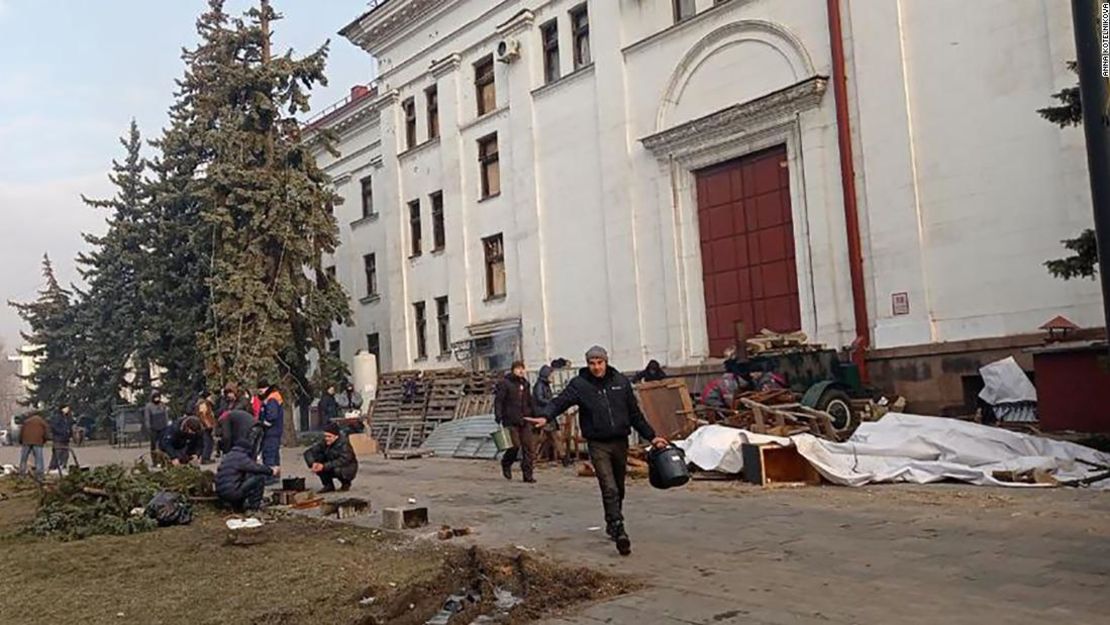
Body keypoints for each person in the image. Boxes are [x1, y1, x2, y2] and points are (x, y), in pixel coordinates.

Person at [539, 345, 668, 556]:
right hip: (598, 443)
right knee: (609, 487)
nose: (596, 367)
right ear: (587, 364)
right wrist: (545, 416)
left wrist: (653, 437)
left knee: (619, 487)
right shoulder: (580, 385)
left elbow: (635, 414)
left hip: (620, 441)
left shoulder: (620, 382)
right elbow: (560, 402)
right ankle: (619, 529)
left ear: (606, 362)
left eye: (599, 362)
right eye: (592, 363)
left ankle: (611, 519)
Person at [494, 360, 541, 483]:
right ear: (513, 370)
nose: (521, 371)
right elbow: (499, 400)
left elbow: (530, 401)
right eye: (518, 368)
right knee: (515, 446)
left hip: (525, 419)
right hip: (510, 419)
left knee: (528, 448)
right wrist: (498, 415)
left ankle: (528, 474)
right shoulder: (505, 383)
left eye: (522, 368)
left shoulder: (525, 384)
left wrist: (536, 416)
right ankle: (506, 463)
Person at [216, 438, 279, 512]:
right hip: (232, 493)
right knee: (259, 479)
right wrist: (271, 471)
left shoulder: (228, 456)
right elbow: (255, 468)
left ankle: (238, 507)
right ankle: (253, 508)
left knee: (244, 479)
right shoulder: (241, 457)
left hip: (221, 494)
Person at [303, 422, 359, 493]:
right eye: (325, 436)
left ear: (336, 436)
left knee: (337, 470)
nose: (327, 439)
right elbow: (308, 452)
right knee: (319, 459)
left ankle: (346, 483)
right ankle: (328, 485)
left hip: (348, 467)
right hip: (331, 463)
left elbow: (344, 460)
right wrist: (313, 463)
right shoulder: (324, 443)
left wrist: (324, 466)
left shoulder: (344, 444)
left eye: (329, 436)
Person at [532, 365, 571, 467]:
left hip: (547, 414)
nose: (552, 377)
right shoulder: (539, 385)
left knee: (551, 437)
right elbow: (539, 399)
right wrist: (552, 402)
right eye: (551, 375)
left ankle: (563, 458)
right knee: (545, 438)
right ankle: (531, 457)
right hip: (543, 414)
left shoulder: (544, 385)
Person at [257, 381, 284, 483]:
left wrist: (263, 424)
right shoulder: (274, 396)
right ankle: (276, 475)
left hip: (270, 432)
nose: (260, 393)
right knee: (274, 454)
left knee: (269, 454)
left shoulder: (271, 399)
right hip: (275, 431)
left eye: (261, 390)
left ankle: (270, 476)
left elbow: (271, 416)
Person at [18, 412, 49, 481]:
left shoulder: (26, 422)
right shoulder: (42, 422)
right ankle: (39, 475)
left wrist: (21, 440)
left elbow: (21, 432)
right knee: (39, 459)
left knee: (24, 459)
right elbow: (46, 433)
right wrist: (44, 440)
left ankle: (22, 474)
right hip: (38, 442)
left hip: (26, 441)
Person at [48, 405, 75, 474]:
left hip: (65, 439)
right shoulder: (57, 417)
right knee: (58, 453)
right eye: (66, 408)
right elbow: (54, 427)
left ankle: (62, 466)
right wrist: (63, 432)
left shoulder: (67, 417)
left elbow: (70, 426)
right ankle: (54, 468)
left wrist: (70, 434)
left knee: (65, 454)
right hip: (58, 439)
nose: (68, 409)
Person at [196, 398, 217, 464]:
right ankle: (205, 458)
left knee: (209, 442)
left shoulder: (206, 404)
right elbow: (203, 416)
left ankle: (207, 457)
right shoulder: (203, 404)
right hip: (206, 427)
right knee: (208, 443)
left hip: (206, 426)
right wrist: (208, 425)